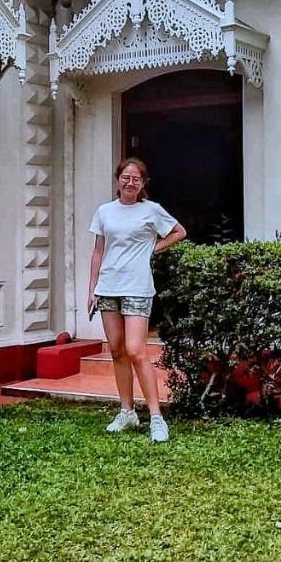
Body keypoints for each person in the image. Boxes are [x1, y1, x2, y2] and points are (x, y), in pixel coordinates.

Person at [88, 157, 186, 442]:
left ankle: (156, 418)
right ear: (118, 180)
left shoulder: (151, 210)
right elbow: (98, 251)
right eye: (125, 178)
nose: (130, 183)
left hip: (137, 287)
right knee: (117, 350)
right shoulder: (105, 211)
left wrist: (153, 249)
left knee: (135, 350)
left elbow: (179, 232)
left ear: (143, 184)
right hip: (108, 288)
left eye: (136, 179)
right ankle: (127, 411)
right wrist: (92, 288)